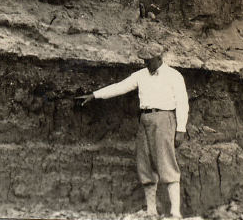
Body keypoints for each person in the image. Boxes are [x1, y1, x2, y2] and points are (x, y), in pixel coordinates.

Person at [76, 42, 189, 219]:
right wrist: (95, 95)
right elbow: (120, 87)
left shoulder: (174, 76)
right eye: (144, 60)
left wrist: (181, 129)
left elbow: (183, 103)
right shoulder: (141, 75)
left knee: (166, 162)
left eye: (149, 60)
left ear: (159, 58)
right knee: (145, 163)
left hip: (164, 119)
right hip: (145, 119)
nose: (146, 63)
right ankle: (151, 210)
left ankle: (175, 212)